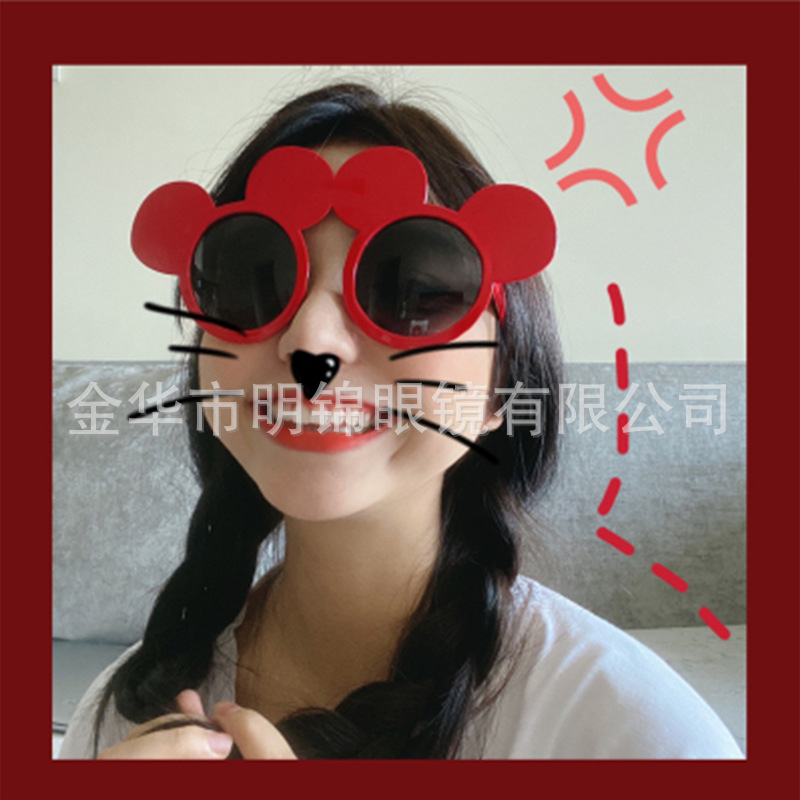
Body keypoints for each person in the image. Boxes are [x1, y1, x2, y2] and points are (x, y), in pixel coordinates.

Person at [60, 83, 742, 760]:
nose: (311, 341)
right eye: (248, 279)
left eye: (412, 291)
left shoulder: (640, 734)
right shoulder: (122, 718)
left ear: (502, 385)